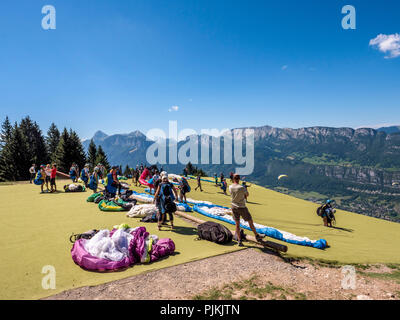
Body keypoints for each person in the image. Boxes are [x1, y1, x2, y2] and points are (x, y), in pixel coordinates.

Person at [229, 174, 264, 246]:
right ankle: (257, 235)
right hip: (241, 207)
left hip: (233, 206)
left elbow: (232, 193)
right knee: (250, 221)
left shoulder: (230, 187)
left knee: (237, 224)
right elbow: (247, 195)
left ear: (233, 179)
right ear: (239, 179)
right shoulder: (241, 187)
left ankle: (239, 241)